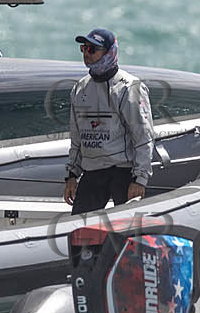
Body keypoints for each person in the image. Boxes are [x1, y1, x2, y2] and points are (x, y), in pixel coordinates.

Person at [63, 28, 154, 214]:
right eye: (84, 48)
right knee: (78, 231)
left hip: (123, 171)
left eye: (92, 49)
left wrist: (140, 179)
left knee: (127, 231)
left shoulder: (130, 87)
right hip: (93, 171)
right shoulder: (79, 89)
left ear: (109, 52)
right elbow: (76, 139)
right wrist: (71, 175)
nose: (86, 54)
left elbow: (144, 138)